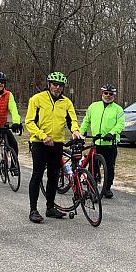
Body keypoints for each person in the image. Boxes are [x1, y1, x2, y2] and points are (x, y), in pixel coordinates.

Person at [25, 71, 82, 223]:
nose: (57, 88)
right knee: (37, 175)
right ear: (49, 85)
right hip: (39, 142)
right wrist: (43, 136)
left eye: (60, 86)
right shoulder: (37, 99)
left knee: (54, 176)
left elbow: (72, 121)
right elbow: (29, 122)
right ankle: (33, 210)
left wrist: (75, 131)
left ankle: (50, 207)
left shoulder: (66, 102)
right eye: (55, 85)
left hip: (57, 142)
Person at [79, 84, 125, 199]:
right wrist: (81, 132)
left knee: (109, 168)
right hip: (97, 143)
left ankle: (107, 188)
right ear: (102, 93)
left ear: (114, 95)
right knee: (93, 167)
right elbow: (86, 121)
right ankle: (91, 188)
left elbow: (120, 124)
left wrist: (112, 133)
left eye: (111, 94)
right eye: (106, 93)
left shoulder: (118, 109)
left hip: (110, 144)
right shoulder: (94, 106)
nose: (108, 96)